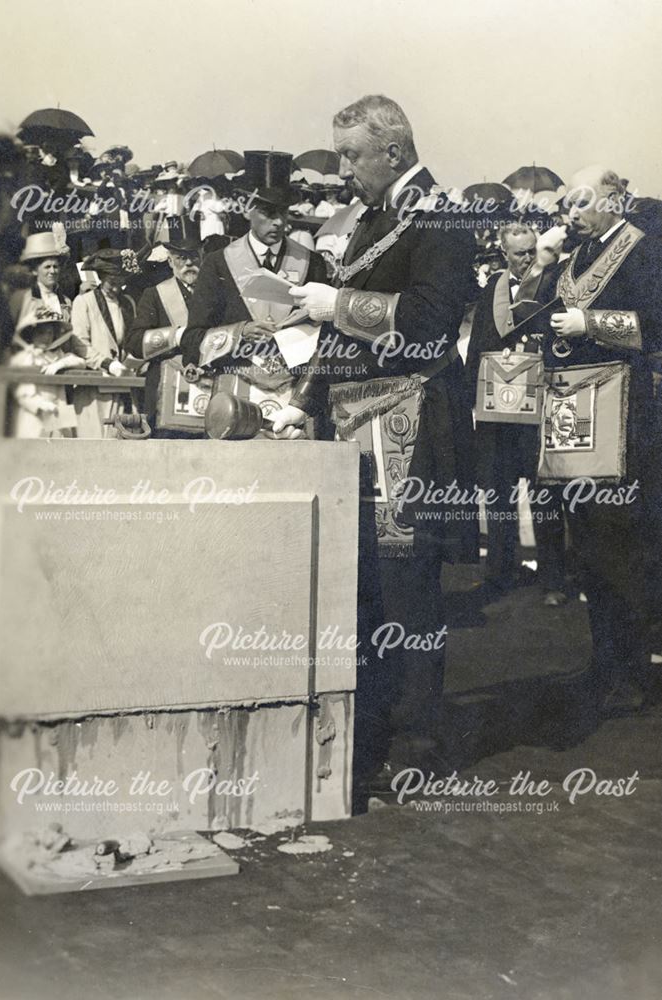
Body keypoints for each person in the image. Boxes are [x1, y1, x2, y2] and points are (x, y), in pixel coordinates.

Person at [272, 95, 478, 776]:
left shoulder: (438, 216)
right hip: (356, 420)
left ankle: (418, 746)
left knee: (408, 589)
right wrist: (304, 400)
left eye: (350, 154)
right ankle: (375, 734)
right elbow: (340, 335)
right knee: (364, 587)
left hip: (409, 423)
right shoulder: (376, 219)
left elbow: (430, 319)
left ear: (392, 151)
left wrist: (341, 304)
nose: (340, 169)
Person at [523, 165, 662, 714]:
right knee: (589, 543)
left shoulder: (644, 248)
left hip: (624, 412)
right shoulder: (574, 257)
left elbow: (656, 322)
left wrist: (592, 323)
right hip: (573, 409)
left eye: (583, 203)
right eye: (568, 204)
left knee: (622, 544)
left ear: (616, 201)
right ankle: (605, 659)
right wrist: (543, 264)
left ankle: (630, 669)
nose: (572, 213)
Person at [180, 150, 328, 436]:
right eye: (269, 213)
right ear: (248, 211)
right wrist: (240, 331)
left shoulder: (313, 263)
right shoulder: (217, 263)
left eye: (283, 214)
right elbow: (192, 339)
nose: (279, 223)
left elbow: (324, 336)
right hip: (235, 393)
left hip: (294, 398)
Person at [465, 222, 569, 605]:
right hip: (496, 407)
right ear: (504, 253)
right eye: (518, 253)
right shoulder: (493, 285)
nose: (526, 259)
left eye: (531, 251)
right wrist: (469, 397)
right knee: (498, 494)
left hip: (538, 404)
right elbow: (477, 341)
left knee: (544, 496)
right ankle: (499, 572)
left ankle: (553, 580)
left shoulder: (553, 283)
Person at [125, 234, 202, 434]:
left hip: (206, 387)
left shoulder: (216, 293)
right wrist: (176, 336)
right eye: (180, 257)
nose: (188, 263)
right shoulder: (154, 294)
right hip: (165, 389)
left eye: (193, 256)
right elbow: (134, 343)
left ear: (202, 256)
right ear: (169, 261)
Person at [69, 248, 140, 437]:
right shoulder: (83, 302)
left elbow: (131, 340)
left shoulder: (128, 303)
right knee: (95, 440)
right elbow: (80, 344)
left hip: (123, 385)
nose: (116, 289)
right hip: (95, 388)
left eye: (120, 283)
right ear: (101, 278)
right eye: (112, 283)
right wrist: (107, 363)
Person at [9, 306, 86, 438]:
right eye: (41, 333)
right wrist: (42, 405)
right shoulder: (24, 357)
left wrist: (60, 364)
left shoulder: (58, 355)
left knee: (60, 453)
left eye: (49, 333)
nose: (46, 337)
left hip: (58, 416)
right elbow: (21, 393)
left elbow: (80, 363)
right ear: (32, 334)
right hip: (35, 417)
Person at [9, 232, 72, 327]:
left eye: (55, 266)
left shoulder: (66, 302)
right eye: (47, 267)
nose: (52, 271)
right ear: (35, 270)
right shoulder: (22, 298)